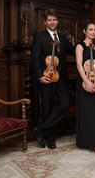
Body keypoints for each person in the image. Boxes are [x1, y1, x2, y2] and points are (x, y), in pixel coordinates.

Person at [31, 9, 75, 149]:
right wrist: (40, 76)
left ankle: (41, 129)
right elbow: (35, 58)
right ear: (45, 22)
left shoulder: (62, 37)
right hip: (47, 77)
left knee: (65, 103)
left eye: (54, 20)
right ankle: (49, 138)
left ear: (57, 21)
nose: (52, 22)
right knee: (47, 108)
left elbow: (74, 50)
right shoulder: (40, 36)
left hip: (61, 77)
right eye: (49, 20)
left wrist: (89, 47)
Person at [75, 21, 95, 153]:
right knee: (87, 111)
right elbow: (80, 66)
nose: (93, 32)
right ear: (84, 31)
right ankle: (87, 141)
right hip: (84, 82)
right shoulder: (80, 46)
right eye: (90, 29)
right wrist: (86, 81)